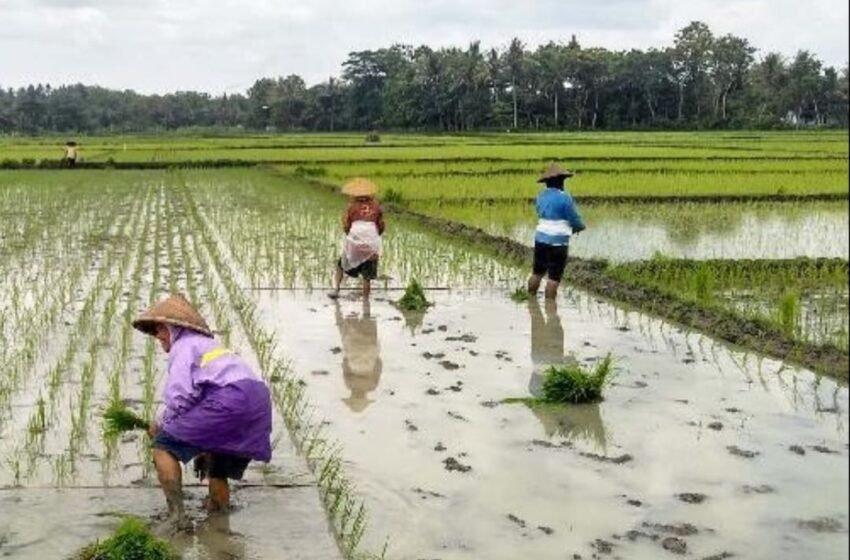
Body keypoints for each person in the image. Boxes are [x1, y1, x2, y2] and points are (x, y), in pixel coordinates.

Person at [132, 294, 272, 527]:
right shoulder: (209, 346)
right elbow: (202, 407)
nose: (158, 337)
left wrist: (161, 424)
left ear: (172, 328)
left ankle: (177, 518)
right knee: (217, 465)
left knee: (162, 447)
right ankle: (219, 518)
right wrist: (203, 448)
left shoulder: (184, 347)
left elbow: (180, 398)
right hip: (257, 400)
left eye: (160, 330)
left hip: (230, 398)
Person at [527, 162, 585, 299]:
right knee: (554, 277)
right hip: (559, 242)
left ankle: (530, 299)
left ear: (546, 183)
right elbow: (573, 218)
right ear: (561, 181)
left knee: (537, 272)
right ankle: (550, 307)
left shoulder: (540, 197)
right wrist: (579, 227)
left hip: (541, 238)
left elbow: (539, 212)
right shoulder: (565, 197)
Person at [329, 178, 385, 301]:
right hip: (372, 241)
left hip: (355, 240)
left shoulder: (351, 207)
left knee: (341, 264)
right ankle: (366, 303)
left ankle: (336, 289)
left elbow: (346, 226)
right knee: (367, 276)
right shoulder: (376, 207)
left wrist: (352, 237)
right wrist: (373, 237)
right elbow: (381, 226)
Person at [334, 299, 382, 413]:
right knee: (352, 319)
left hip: (370, 347)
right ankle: (360, 300)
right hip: (352, 344)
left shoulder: (372, 386)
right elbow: (345, 363)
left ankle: (361, 303)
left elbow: (379, 365)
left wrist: (374, 354)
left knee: (367, 318)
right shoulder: (349, 384)